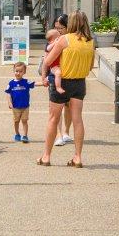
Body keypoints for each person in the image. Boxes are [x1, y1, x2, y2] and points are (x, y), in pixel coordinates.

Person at [55, 12, 96, 168]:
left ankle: (47, 155)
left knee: (54, 116)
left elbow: (49, 60)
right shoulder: (90, 42)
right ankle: (77, 157)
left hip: (64, 80)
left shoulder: (66, 39)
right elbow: (91, 66)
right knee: (78, 119)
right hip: (80, 83)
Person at [34, 16, 70, 166]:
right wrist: (43, 78)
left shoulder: (70, 40)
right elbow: (46, 61)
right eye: (56, 28)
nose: (58, 30)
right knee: (55, 111)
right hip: (55, 75)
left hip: (69, 76)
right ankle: (60, 135)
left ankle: (66, 132)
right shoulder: (53, 42)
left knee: (68, 107)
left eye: (60, 28)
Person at [6, 61, 35, 143]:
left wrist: (44, 83)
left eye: (20, 71)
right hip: (15, 106)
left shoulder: (26, 81)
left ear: (24, 72)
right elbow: (8, 94)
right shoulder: (11, 83)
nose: (18, 73)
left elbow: (34, 84)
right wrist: (9, 103)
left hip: (25, 106)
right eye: (16, 71)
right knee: (16, 121)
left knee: (24, 121)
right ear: (14, 71)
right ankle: (17, 134)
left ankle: (25, 136)